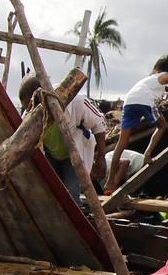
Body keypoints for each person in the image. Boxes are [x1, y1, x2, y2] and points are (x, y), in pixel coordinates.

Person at [106, 55, 168, 193]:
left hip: (128, 103)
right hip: (145, 100)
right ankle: (147, 154)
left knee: (122, 143)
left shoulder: (148, 80)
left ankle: (110, 183)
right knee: (162, 125)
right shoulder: (167, 75)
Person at [18, 74, 107, 204]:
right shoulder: (29, 113)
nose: (29, 110)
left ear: (39, 96)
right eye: (27, 108)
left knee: (71, 191)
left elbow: (98, 124)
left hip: (74, 154)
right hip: (51, 154)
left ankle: (75, 219)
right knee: (51, 191)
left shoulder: (75, 101)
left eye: (31, 106)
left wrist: (100, 157)